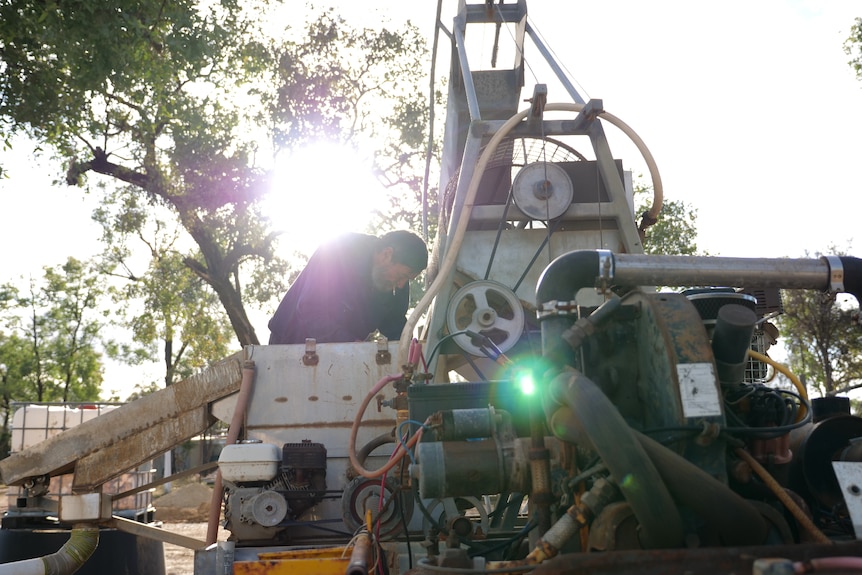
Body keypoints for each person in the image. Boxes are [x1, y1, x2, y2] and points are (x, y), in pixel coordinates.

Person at [268, 230, 428, 345]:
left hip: (343, 354)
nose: (401, 285)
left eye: (407, 280)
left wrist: (409, 349)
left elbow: (394, 324)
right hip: (290, 345)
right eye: (402, 276)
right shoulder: (337, 250)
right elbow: (311, 309)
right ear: (387, 254)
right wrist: (351, 343)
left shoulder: (395, 281)